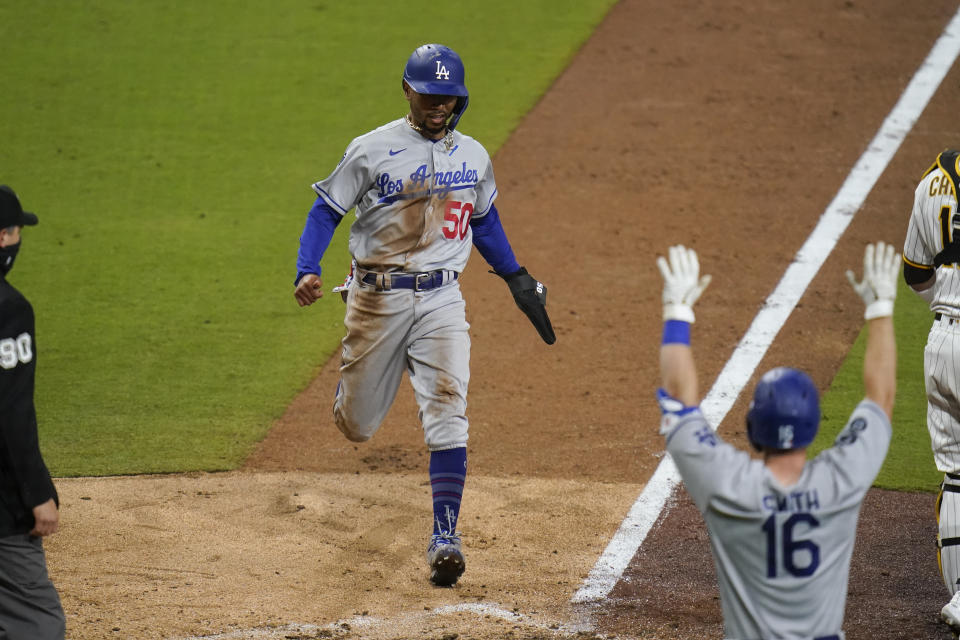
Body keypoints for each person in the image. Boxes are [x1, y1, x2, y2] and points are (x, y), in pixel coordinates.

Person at [292, 44, 555, 587]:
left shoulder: (474, 155)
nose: (440, 106)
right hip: (377, 298)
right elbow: (327, 208)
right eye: (431, 96)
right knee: (358, 426)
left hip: (442, 300)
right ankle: (352, 386)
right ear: (409, 92)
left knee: (448, 413)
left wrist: (516, 276)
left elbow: (483, 220)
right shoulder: (372, 149)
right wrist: (306, 267)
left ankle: (444, 536)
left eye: (449, 97)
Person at [655, 242, 897, 639]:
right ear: (814, 426)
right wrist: (881, 308)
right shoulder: (840, 483)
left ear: (753, 428)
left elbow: (681, 403)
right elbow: (881, 399)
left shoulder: (728, 488)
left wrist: (676, 311)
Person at [0, 185, 66, 639]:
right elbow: (11, 414)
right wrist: (38, 493)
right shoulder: (9, 310)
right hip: (3, 513)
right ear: (4, 237)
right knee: (37, 625)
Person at [901, 149, 960, 631]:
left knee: (957, 472)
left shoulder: (935, 178)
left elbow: (916, 273)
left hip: (941, 342)